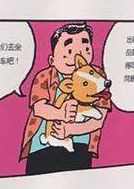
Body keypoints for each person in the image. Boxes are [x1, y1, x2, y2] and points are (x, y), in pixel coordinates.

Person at [20, 23, 112, 174]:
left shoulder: (98, 76)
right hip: (42, 146)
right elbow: (39, 108)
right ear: (52, 59)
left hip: (80, 145)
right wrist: (60, 114)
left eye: (85, 49)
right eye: (69, 51)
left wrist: (69, 129)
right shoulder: (44, 76)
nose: (77, 56)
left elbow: (98, 120)